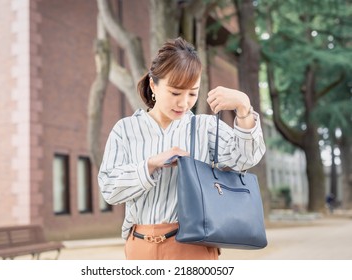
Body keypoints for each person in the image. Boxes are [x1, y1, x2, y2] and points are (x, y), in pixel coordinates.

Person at [98, 37, 266, 260]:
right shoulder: (126, 129)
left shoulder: (204, 127)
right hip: (139, 247)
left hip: (192, 247)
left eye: (192, 94)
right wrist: (151, 164)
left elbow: (247, 157)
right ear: (153, 85)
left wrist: (244, 107)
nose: (184, 103)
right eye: (176, 93)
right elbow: (110, 189)